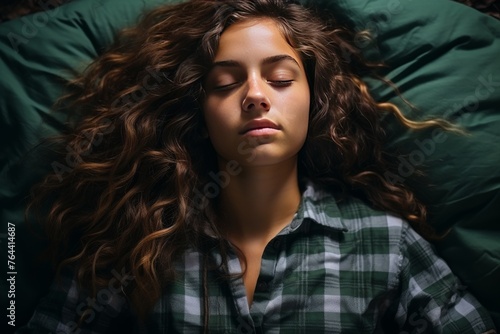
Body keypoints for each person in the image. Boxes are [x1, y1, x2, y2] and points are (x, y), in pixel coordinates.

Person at [18, 0, 496, 333]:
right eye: (225, 83)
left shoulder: (386, 244)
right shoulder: (138, 242)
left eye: (281, 77)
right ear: (200, 116)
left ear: (316, 100)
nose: (255, 95)